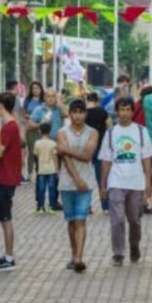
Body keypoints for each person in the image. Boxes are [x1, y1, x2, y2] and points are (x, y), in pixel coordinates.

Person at [99, 97, 152, 266]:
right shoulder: (110, 133)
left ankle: (134, 246)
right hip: (116, 181)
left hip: (136, 182)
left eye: (128, 109)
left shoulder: (141, 131)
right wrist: (103, 185)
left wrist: (148, 183)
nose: (124, 113)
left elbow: (146, 159)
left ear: (132, 111)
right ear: (116, 112)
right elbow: (106, 161)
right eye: (121, 110)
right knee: (117, 220)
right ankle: (118, 253)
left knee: (135, 220)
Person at [56, 99, 98, 273]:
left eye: (81, 112)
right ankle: (73, 255)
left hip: (86, 182)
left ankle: (79, 258)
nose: (78, 116)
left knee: (81, 218)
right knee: (71, 220)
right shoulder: (62, 132)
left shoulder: (93, 132)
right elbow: (65, 159)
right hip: (67, 182)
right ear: (70, 113)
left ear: (86, 114)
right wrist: (76, 179)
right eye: (74, 112)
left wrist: (66, 150)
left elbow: (87, 156)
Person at [0, 92, 23, 271]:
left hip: (6, 177)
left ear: (1, 106)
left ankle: (9, 257)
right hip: (5, 176)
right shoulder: (10, 125)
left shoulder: (8, 127)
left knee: (5, 218)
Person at [85, 91, 111, 212]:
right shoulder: (102, 111)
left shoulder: (83, 113)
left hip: (86, 147)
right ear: (97, 101)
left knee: (86, 176)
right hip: (100, 147)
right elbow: (110, 126)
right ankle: (105, 205)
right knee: (102, 177)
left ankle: (86, 206)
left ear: (87, 100)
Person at [33, 121, 60, 213]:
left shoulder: (37, 143)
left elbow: (36, 155)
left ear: (40, 131)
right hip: (52, 169)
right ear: (49, 131)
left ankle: (40, 207)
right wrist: (57, 170)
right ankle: (51, 207)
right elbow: (55, 157)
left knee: (41, 189)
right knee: (52, 189)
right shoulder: (53, 143)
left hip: (41, 169)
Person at [23, 81, 46, 179]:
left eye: (37, 88)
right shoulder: (28, 100)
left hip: (42, 129)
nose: (35, 90)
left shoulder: (44, 100)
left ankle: (40, 172)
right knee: (31, 151)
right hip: (30, 129)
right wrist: (30, 117)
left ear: (41, 89)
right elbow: (24, 114)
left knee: (41, 151)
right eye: (33, 88)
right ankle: (30, 173)